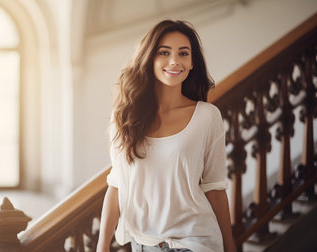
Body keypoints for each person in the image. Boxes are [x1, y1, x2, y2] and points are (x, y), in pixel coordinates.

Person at [96, 20, 237, 252]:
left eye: (183, 53)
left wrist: (230, 246)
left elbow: (214, 188)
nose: (174, 61)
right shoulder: (124, 117)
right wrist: (102, 247)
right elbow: (117, 184)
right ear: (150, 58)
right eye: (164, 52)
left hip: (195, 242)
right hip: (142, 244)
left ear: (192, 64)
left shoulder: (207, 117)